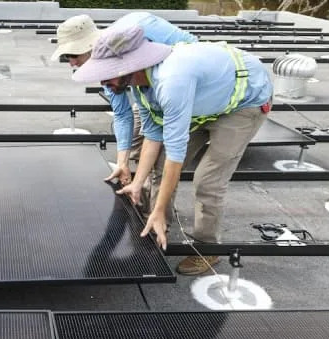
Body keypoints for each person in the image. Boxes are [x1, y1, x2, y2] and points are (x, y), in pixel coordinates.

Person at [72, 25, 272, 275]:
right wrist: (137, 183)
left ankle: (207, 249)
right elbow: (153, 135)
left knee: (208, 181)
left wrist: (157, 207)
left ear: (128, 68)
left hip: (244, 102)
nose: (104, 83)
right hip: (204, 100)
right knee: (159, 165)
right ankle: (158, 223)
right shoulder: (141, 86)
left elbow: (176, 157)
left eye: (107, 74)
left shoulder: (171, 82)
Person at [51, 13, 197, 219]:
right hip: (148, 90)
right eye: (67, 57)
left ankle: (158, 217)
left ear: (90, 46)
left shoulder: (138, 38)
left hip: (182, 87)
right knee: (138, 141)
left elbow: (188, 63)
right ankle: (141, 191)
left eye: (73, 55)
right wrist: (122, 162)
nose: (71, 63)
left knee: (163, 160)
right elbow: (121, 113)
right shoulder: (106, 64)